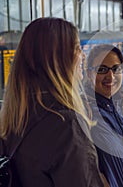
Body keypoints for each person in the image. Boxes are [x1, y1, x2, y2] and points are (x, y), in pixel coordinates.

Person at [0, 18, 104, 186]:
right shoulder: (66, 126)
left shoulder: (13, 120)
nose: (83, 56)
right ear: (58, 61)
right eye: (77, 48)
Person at [85, 44, 123, 187]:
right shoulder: (86, 113)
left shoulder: (116, 109)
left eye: (116, 69)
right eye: (101, 70)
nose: (111, 76)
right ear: (89, 74)